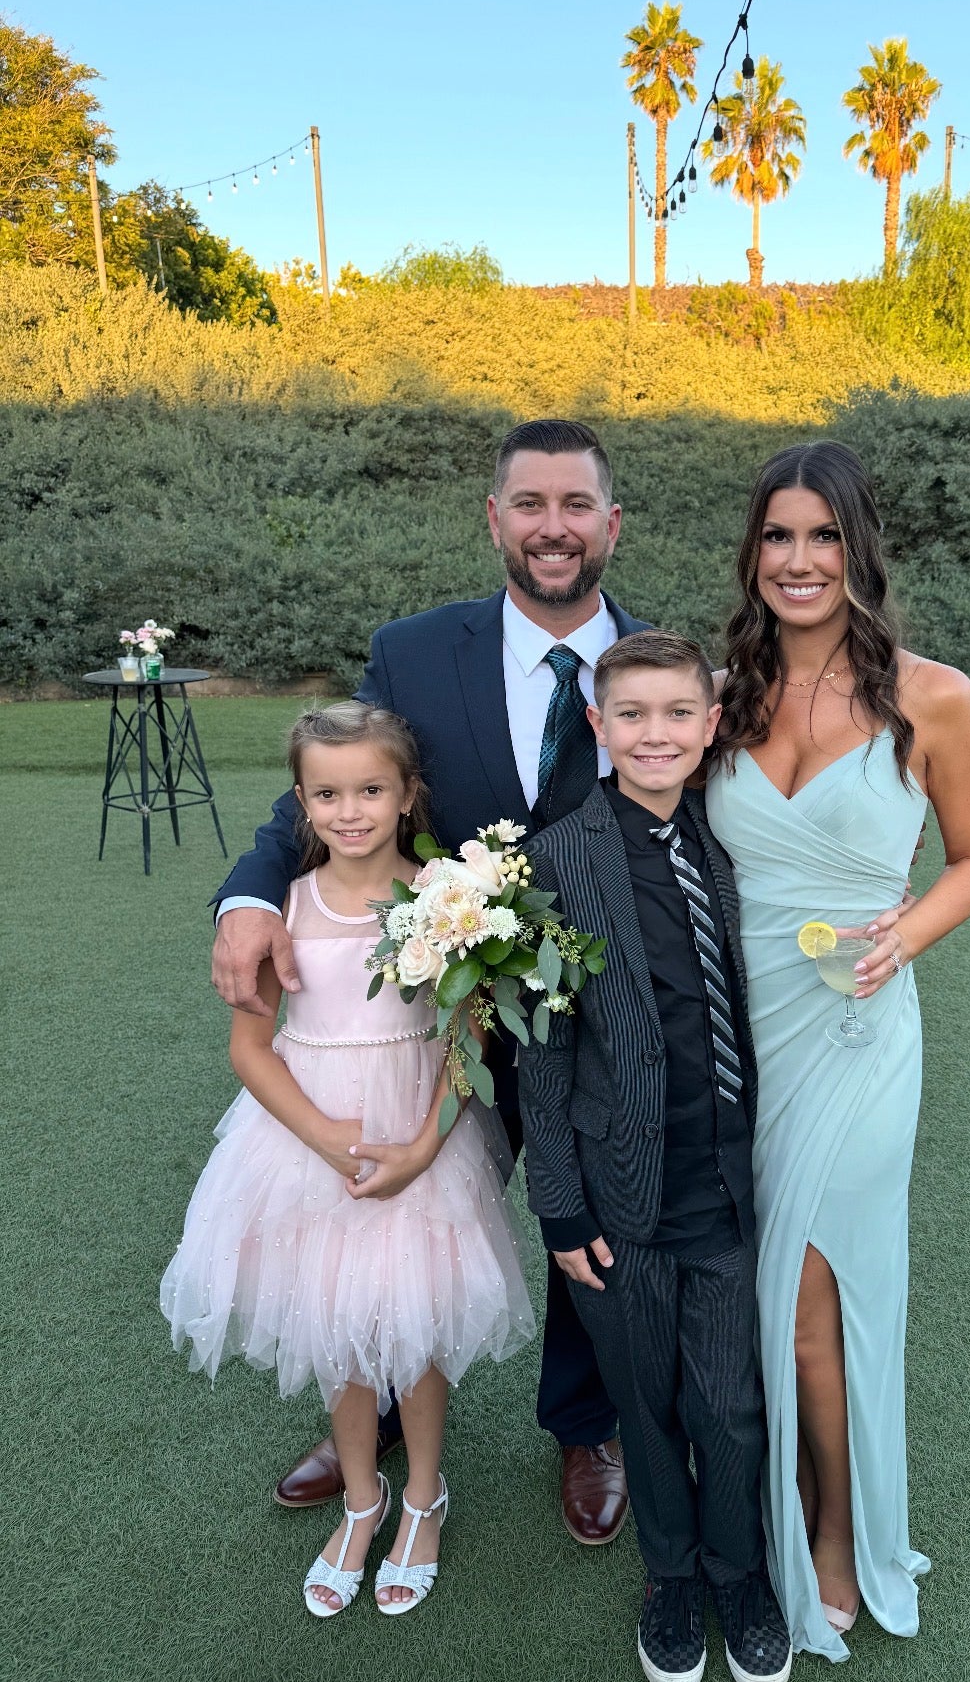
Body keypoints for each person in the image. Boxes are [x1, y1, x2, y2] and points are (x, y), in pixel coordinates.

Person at [209, 417, 644, 1542]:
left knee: (581, 1219)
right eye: (531, 503)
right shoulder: (412, 652)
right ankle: (382, 1409)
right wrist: (251, 896)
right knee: (388, 1218)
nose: (555, 527)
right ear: (494, 518)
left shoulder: (663, 666)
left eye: (576, 504)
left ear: (612, 524)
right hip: (431, 1013)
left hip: (600, 1017)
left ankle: (584, 1424)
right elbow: (330, 789)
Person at [703, 441, 970, 1660]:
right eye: (779, 536)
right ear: (753, 553)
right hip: (744, 1029)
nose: (800, 560)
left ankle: (834, 1531)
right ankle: (765, 1496)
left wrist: (904, 938)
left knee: (819, 1298)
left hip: (862, 1029)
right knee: (761, 1289)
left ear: (860, 547)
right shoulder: (717, 686)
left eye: (824, 536)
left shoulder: (936, 696)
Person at [162, 703, 535, 1617]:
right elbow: (251, 1050)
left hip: (419, 1140)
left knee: (419, 1320)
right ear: (301, 801)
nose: (351, 809)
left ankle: (423, 1497)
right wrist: (325, 1138)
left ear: (408, 794)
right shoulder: (280, 906)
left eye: (371, 788)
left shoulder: (453, 899)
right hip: (305, 1145)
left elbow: (470, 1038)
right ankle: (362, 1500)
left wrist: (421, 1146)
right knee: (337, 1322)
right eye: (327, 793)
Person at [519, 630, 794, 1682]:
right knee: (649, 1400)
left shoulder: (734, 842)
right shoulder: (555, 859)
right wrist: (559, 1206)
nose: (655, 733)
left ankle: (740, 1573)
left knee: (728, 1402)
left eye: (679, 713)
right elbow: (543, 1056)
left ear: (711, 723)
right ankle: (672, 1575)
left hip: (727, 1186)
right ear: (597, 726)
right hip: (618, 1200)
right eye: (630, 714)